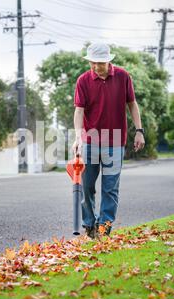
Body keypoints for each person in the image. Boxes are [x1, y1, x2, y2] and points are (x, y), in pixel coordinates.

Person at [72, 43, 145, 239]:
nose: (96, 67)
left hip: (114, 142)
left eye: (100, 63)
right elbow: (79, 111)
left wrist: (139, 130)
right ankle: (89, 224)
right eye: (92, 63)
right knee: (86, 187)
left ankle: (104, 227)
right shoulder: (83, 81)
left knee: (110, 188)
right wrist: (78, 137)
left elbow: (132, 104)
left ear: (108, 61)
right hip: (90, 141)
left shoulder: (123, 76)